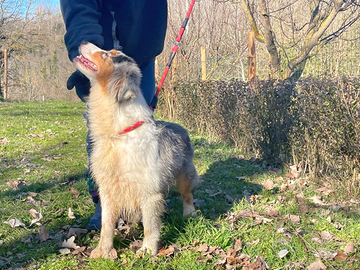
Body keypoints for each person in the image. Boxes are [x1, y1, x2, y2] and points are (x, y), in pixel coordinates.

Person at [60, 0, 168, 230]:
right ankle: (104, 200)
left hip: (144, 51)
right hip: (103, 47)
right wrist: (85, 44)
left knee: (142, 130)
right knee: (101, 131)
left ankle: (140, 197)